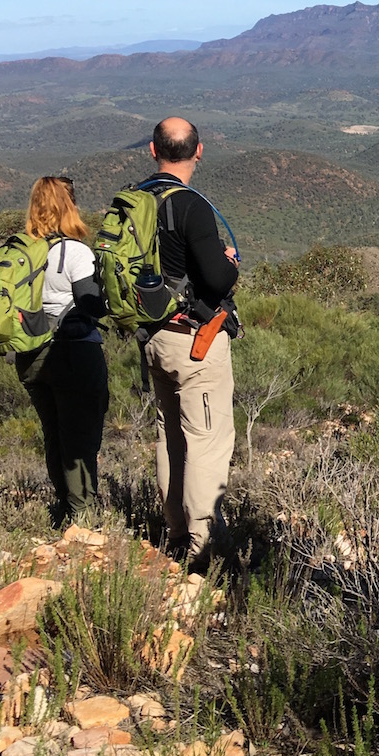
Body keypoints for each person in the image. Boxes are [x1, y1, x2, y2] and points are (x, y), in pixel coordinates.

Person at [141, 117, 240, 569]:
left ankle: (175, 532)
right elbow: (217, 278)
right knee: (206, 440)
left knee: (170, 436)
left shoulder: (136, 200)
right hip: (193, 341)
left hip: (153, 337)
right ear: (199, 151)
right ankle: (203, 551)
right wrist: (230, 264)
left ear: (152, 150)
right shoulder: (191, 205)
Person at [13, 176, 109, 527]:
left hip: (30, 356)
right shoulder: (74, 251)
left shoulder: (22, 251)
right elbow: (90, 304)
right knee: (81, 435)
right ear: (69, 207)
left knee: (54, 432)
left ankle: (64, 508)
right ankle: (84, 517)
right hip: (74, 352)